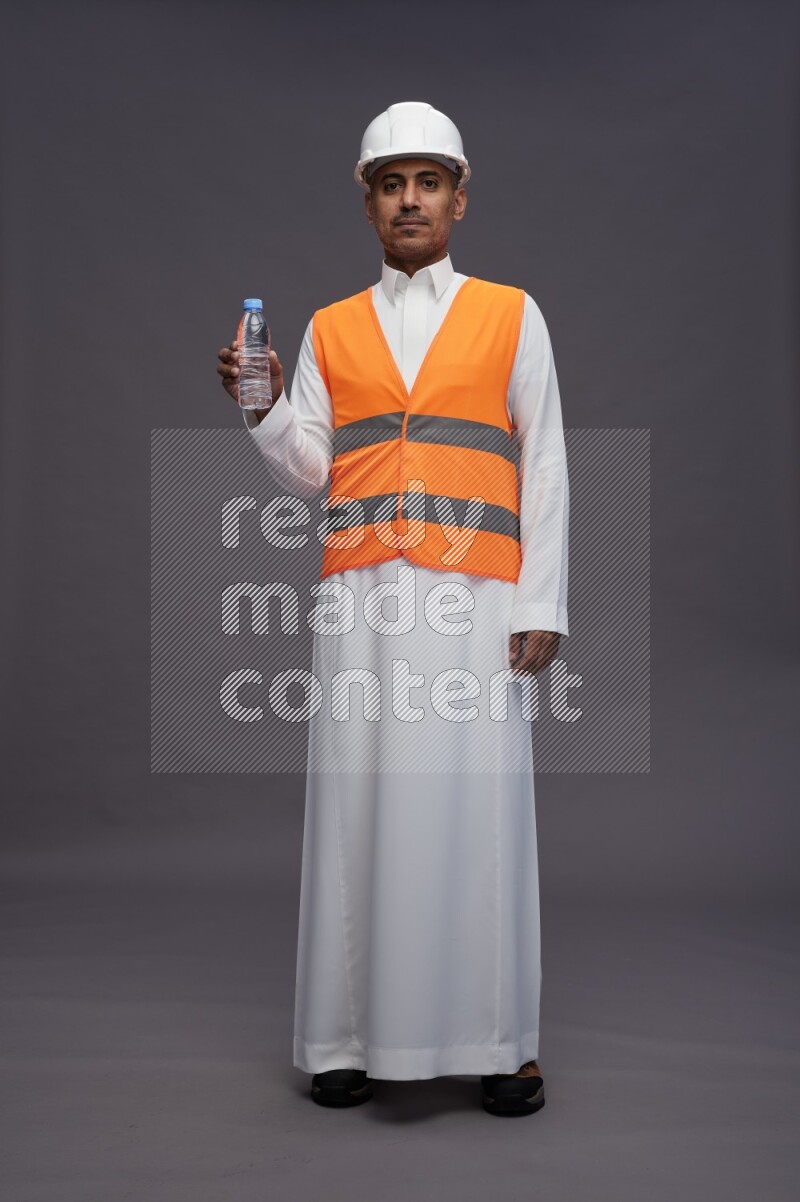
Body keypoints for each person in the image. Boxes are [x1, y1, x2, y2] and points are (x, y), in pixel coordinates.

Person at [217, 101, 569, 1117]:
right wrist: (262, 405)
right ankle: (343, 1038)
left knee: (480, 806)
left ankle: (500, 1042)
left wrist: (541, 597)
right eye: (388, 182)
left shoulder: (512, 312)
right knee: (357, 800)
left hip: (477, 596)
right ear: (367, 202)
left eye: (426, 180)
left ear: (458, 196)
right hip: (362, 595)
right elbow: (311, 471)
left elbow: (541, 459)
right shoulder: (331, 325)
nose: (408, 199)